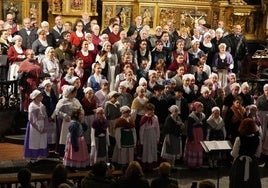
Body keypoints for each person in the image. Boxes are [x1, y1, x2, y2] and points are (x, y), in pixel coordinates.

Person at [229, 118, 262, 188]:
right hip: (252, 164)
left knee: (237, 183)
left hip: (240, 164)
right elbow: (258, 154)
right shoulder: (258, 139)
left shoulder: (239, 138)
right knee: (252, 183)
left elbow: (234, 154)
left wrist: (231, 152)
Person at [24, 90, 48, 160]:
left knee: (42, 141)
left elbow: (45, 116)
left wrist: (45, 126)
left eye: (41, 96)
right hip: (34, 126)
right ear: (34, 97)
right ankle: (33, 157)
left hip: (42, 124)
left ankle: (40, 155)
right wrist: (38, 128)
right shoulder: (32, 106)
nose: (40, 98)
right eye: (38, 96)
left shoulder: (42, 105)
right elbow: (32, 119)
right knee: (34, 141)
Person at [184, 101, 206, 168]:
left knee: (199, 148)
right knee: (193, 148)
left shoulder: (203, 115)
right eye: (199, 107)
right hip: (194, 134)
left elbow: (204, 126)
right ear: (195, 108)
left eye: (202, 107)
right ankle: (192, 164)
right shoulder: (191, 116)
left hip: (200, 134)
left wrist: (204, 135)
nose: (201, 108)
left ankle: (198, 163)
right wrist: (191, 138)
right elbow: (189, 128)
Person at [139, 103, 160, 171]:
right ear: (147, 110)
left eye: (153, 110)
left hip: (153, 134)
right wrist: (141, 140)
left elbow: (157, 128)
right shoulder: (144, 118)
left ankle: (152, 165)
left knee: (153, 149)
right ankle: (146, 166)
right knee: (147, 149)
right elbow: (141, 130)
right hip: (146, 135)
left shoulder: (155, 117)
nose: (152, 111)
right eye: (150, 110)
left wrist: (157, 137)